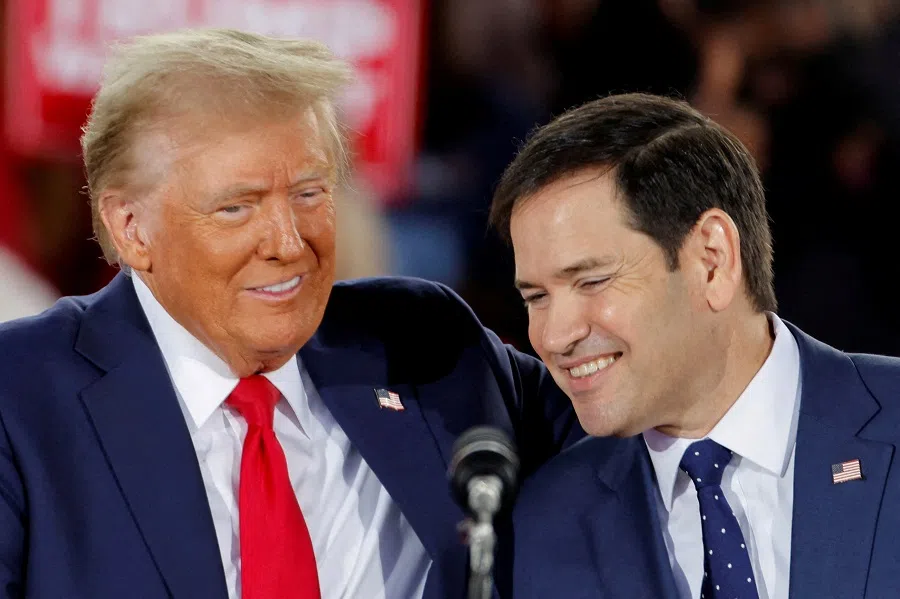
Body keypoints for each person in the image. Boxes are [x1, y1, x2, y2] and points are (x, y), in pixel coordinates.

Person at [0, 29, 580, 599]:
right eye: (236, 207)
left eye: (309, 193)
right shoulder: (21, 397)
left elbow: (628, 425)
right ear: (131, 228)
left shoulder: (423, 344)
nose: (287, 242)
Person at [489, 92, 900, 599]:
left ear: (711, 260)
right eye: (536, 297)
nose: (554, 336)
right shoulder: (542, 528)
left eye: (592, 281)